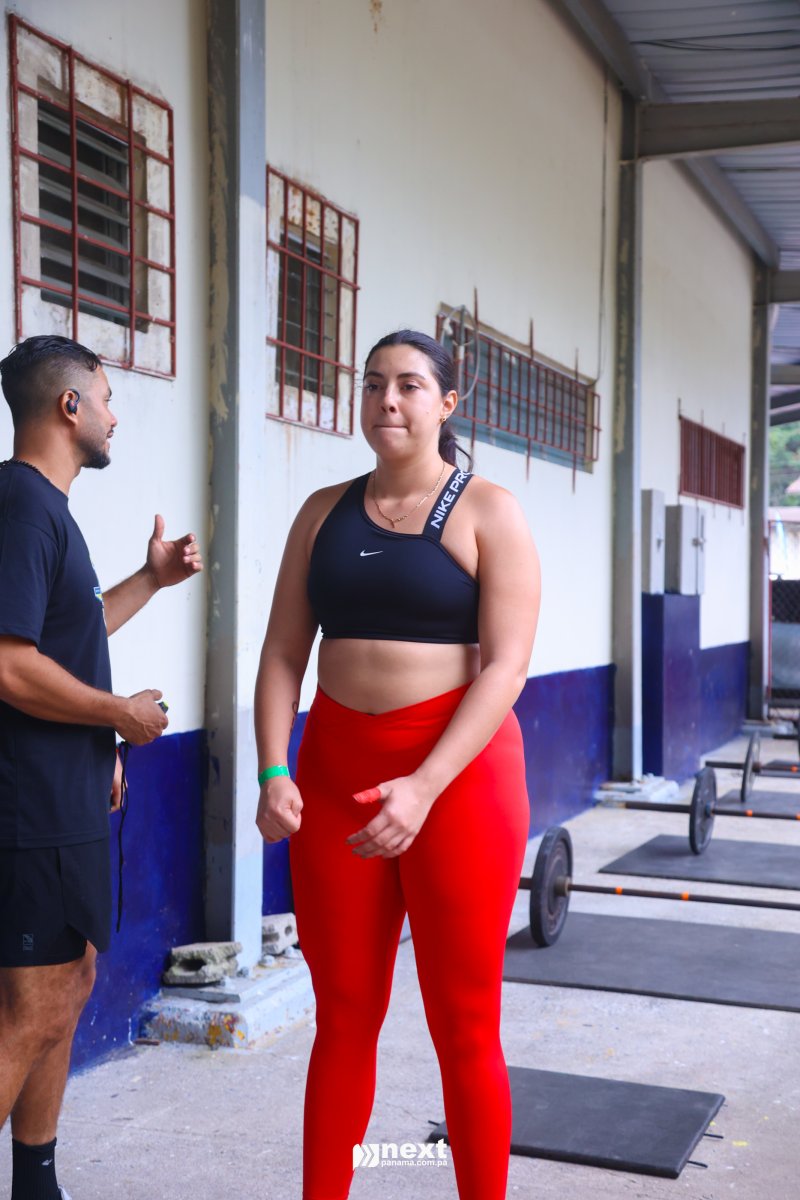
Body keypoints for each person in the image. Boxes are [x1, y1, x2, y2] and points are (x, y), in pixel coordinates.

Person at [255, 329, 541, 1200]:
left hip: (460, 782)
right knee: (343, 1014)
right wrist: (273, 771)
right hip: (336, 776)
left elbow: (506, 667)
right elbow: (282, 654)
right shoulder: (322, 512)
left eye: (410, 385)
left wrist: (423, 786)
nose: (388, 399)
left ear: (446, 403)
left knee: (463, 1021)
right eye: (374, 382)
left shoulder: (489, 511)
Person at [0, 334, 203, 1200]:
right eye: (108, 398)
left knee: (70, 984)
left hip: (67, 802)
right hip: (30, 809)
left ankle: (37, 1183)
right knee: (32, 1007)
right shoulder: (20, 506)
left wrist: (149, 581)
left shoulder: (48, 511)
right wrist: (117, 714)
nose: (116, 416)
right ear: (69, 405)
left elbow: (62, 639)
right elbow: (9, 666)